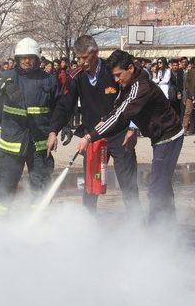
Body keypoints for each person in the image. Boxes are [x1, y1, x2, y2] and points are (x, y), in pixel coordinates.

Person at [76, 49, 183, 223]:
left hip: (169, 137)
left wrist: (89, 137)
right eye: (114, 76)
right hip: (159, 137)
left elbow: (121, 115)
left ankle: (156, 234)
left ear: (130, 68)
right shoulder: (130, 85)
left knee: (156, 188)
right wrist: (103, 121)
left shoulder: (141, 87)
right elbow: (117, 108)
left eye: (119, 75)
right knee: (162, 185)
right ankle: (168, 226)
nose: (117, 80)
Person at [47, 35, 140, 215]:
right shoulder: (76, 76)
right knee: (91, 186)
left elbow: (134, 98)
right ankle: (88, 225)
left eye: (84, 58)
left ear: (96, 53)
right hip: (93, 137)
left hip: (120, 136)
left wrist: (132, 128)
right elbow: (65, 105)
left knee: (128, 185)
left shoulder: (112, 71)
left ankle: (137, 226)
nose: (81, 62)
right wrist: (53, 131)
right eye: (78, 58)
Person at [0, 38, 58, 215]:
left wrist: (57, 128)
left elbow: (58, 107)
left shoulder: (49, 80)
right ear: (17, 59)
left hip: (39, 145)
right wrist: (5, 86)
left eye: (30, 57)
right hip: (12, 144)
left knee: (41, 186)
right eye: (23, 58)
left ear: (37, 58)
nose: (26, 61)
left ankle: (38, 222)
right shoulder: (9, 76)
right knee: (5, 186)